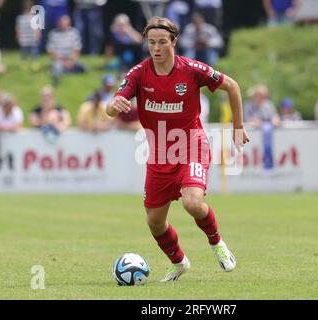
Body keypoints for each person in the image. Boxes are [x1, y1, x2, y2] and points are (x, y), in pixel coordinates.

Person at [106, 16, 249, 282]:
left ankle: (217, 243)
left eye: (162, 42)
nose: (156, 48)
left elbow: (232, 86)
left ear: (174, 42)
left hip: (192, 146)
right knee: (154, 222)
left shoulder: (192, 70)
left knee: (192, 202)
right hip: (159, 155)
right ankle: (179, 262)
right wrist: (115, 104)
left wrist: (237, 127)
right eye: (151, 42)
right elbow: (112, 106)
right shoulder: (138, 73)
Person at [46, 15, 86, 85]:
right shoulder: (53, 34)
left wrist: (71, 61)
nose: (62, 25)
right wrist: (63, 62)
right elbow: (51, 51)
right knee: (57, 66)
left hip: (71, 60)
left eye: (65, 24)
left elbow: (76, 49)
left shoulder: (74, 32)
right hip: (59, 60)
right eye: (61, 23)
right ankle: (59, 75)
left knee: (84, 68)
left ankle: (64, 71)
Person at [16, 0, 41, 66]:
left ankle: (35, 63)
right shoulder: (20, 18)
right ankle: (24, 63)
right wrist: (18, 37)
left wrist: (38, 36)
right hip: (24, 39)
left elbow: (38, 29)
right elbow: (18, 29)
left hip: (33, 39)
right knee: (24, 53)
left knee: (34, 53)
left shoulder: (35, 18)